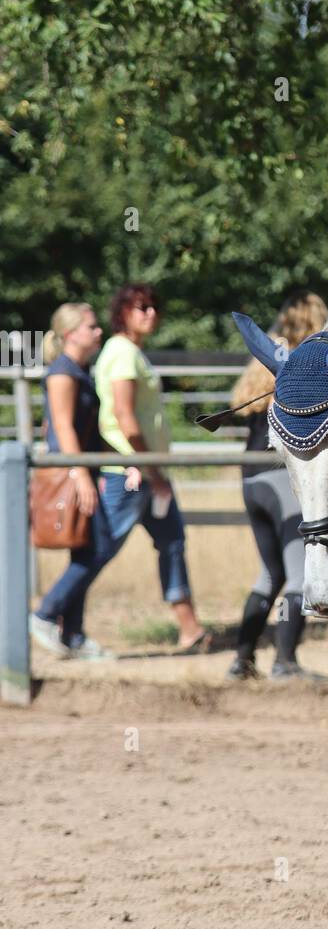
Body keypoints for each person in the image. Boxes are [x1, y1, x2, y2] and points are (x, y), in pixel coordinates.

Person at [93, 283, 210, 652]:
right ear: (123, 312)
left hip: (146, 471)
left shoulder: (130, 353)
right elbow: (125, 418)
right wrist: (152, 470)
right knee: (100, 550)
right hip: (131, 473)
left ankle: (190, 628)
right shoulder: (123, 353)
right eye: (141, 307)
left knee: (172, 541)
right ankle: (54, 613)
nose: (150, 313)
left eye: (154, 307)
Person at [226, 294, 328, 682]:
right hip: (280, 476)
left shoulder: (263, 360)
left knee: (270, 575)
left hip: (251, 478)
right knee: (300, 574)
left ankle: (242, 660)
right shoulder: (308, 364)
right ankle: (285, 661)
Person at [30, 303, 118, 660]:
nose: (99, 332)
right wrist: (80, 474)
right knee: (96, 548)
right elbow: (63, 426)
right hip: (72, 472)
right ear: (71, 334)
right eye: (91, 327)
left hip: (83, 469)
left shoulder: (80, 370)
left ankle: (74, 636)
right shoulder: (62, 372)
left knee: (86, 549)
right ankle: (45, 614)